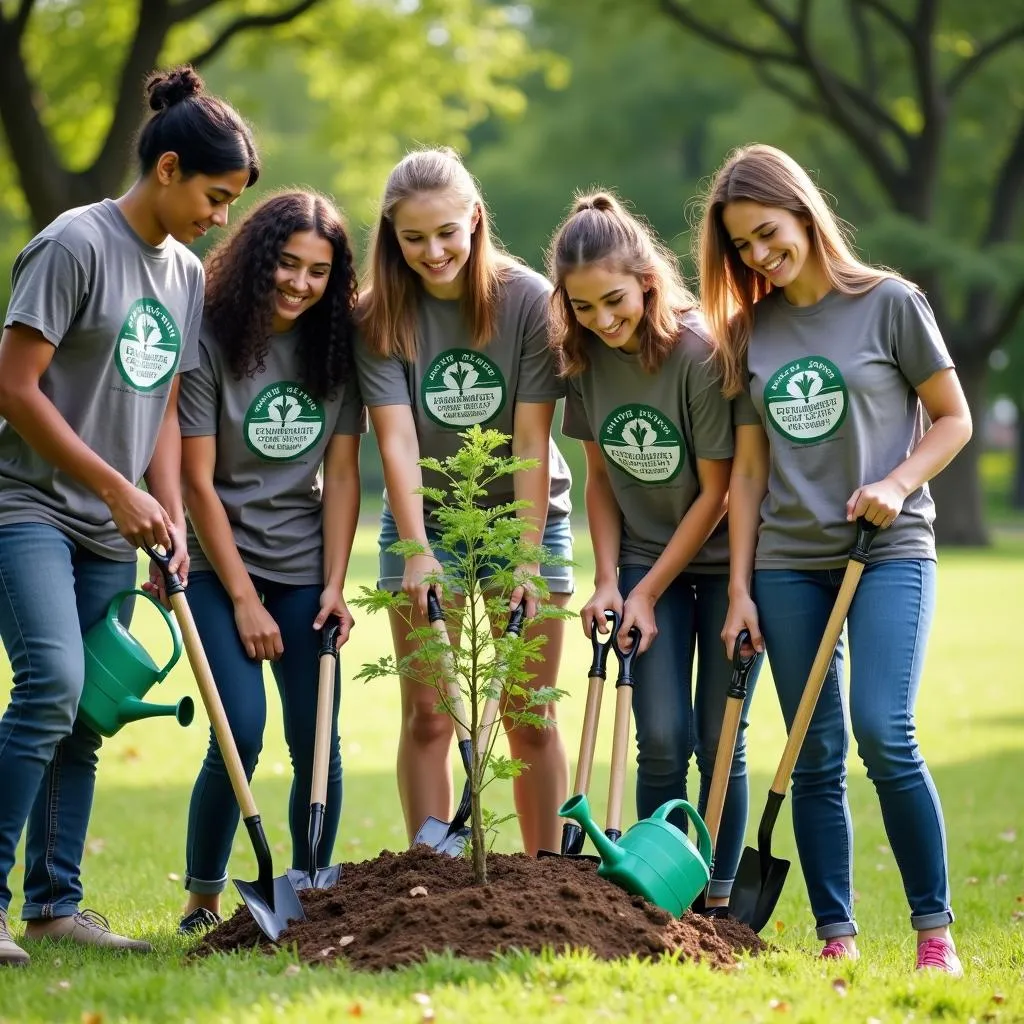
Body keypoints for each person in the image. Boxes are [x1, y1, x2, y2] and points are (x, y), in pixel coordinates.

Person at [0, 66, 258, 967]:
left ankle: (54, 906)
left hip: (116, 524)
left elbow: (160, 405)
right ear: (169, 167)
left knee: (89, 713)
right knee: (52, 687)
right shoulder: (73, 245)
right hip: (26, 503)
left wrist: (169, 516)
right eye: (215, 196)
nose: (219, 217)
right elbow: (15, 388)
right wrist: (118, 488)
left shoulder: (183, 273)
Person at [701, 143, 972, 973]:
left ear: (804, 213)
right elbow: (747, 473)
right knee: (809, 754)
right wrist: (740, 588)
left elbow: (954, 419)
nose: (758, 256)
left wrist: (897, 478)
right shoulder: (751, 330)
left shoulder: (891, 303)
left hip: (887, 551)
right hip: (787, 562)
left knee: (884, 732)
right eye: (741, 245)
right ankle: (837, 937)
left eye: (766, 233)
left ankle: (935, 933)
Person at [354, 147, 572, 856]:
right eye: (412, 238)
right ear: (392, 236)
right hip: (426, 521)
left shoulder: (530, 300)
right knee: (428, 715)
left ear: (475, 219)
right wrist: (416, 554)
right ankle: (432, 872)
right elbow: (396, 443)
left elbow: (533, 437)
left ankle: (547, 876)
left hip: (522, 517)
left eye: (446, 232)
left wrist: (530, 559)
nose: (432, 251)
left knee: (528, 714)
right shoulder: (380, 314)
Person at [548, 191, 757, 909]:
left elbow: (717, 495)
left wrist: (645, 589)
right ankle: (656, 897)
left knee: (717, 738)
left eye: (613, 301)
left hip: (724, 564)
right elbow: (598, 476)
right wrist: (610, 580)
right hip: (641, 561)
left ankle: (719, 902)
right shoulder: (583, 362)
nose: (602, 321)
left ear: (645, 279)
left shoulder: (698, 354)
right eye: (583, 308)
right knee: (662, 738)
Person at [175, 191, 364, 933]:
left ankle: (309, 895)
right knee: (241, 730)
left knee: (319, 733)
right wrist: (245, 598)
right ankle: (201, 899)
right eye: (287, 264)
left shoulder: (335, 346)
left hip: (303, 566)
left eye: (317, 271)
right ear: (260, 261)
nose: (299, 283)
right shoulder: (211, 339)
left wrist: (335, 584)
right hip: (221, 572)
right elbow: (196, 481)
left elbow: (343, 474)